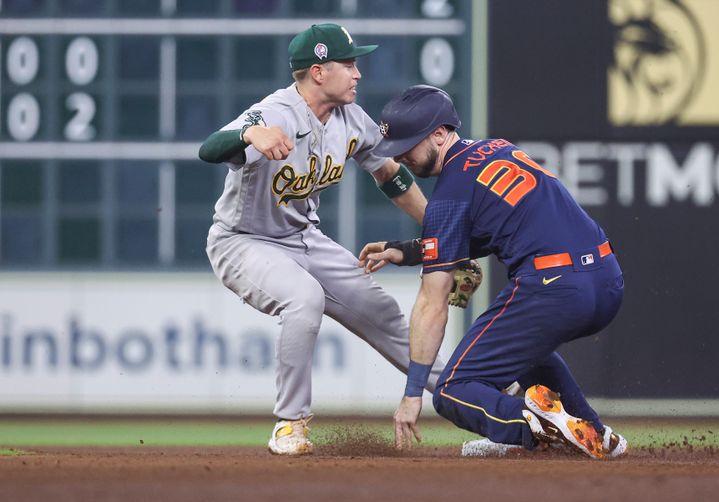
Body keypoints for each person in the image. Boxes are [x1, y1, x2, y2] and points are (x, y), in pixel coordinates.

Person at [198, 24, 446, 456]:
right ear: (317, 72)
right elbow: (209, 148)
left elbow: (389, 173)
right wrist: (246, 134)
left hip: (302, 238)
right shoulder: (274, 112)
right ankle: (290, 425)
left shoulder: (351, 118)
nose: (357, 73)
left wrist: (440, 228)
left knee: (383, 312)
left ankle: (469, 396)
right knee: (303, 299)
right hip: (242, 241)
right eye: (348, 64)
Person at [359, 85, 628, 459]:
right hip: (606, 279)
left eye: (409, 143)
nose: (401, 155)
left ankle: (534, 426)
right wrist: (411, 251)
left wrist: (412, 393)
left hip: (555, 288)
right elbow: (494, 226)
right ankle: (592, 432)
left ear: (440, 133)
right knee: (525, 353)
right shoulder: (497, 148)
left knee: (452, 389)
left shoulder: (448, 195)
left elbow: (431, 303)